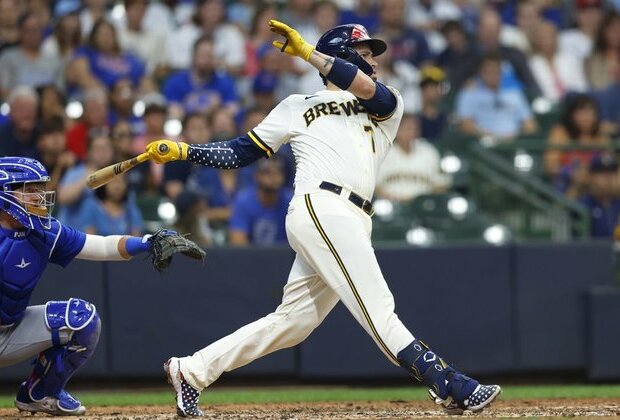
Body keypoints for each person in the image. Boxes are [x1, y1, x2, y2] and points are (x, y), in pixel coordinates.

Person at [146, 20, 501, 417]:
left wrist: (307, 54)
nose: (375, 63)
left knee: (293, 322)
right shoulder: (296, 105)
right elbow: (241, 151)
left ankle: (191, 371)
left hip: (354, 216)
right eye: (365, 54)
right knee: (378, 308)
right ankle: (449, 384)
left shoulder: (388, 102)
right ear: (344, 55)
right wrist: (183, 151)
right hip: (321, 206)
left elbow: (364, 87)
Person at [0, 156, 195, 416]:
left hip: (9, 330)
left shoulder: (44, 231)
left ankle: (39, 393)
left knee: (82, 319)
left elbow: (102, 246)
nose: (38, 196)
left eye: (39, 188)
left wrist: (148, 242)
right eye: (29, 189)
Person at [455, 52, 537, 142]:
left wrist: (517, 136)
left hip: (514, 142)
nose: (493, 75)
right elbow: (467, 126)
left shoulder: (514, 94)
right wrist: (495, 137)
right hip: (483, 144)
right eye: (488, 71)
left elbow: (530, 125)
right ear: (480, 73)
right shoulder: (468, 95)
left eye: (496, 71)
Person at [376, 114, 449, 203]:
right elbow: (375, 186)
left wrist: (429, 200)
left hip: (423, 207)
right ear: (396, 130)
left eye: (415, 129)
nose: (411, 133)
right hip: (392, 206)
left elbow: (442, 185)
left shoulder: (429, 152)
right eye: (407, 128)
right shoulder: (385, 152)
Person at [229, 158, 293, 246]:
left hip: (285, 257)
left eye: (277, 173)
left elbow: (300, 242)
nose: (273, 177)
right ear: (256, 176)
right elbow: (238, 243)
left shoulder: (291, 201)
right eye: (267, 173)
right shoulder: (243, 201)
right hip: (251, 257)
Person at [579, 154, 620, 237]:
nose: (608, 179)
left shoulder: (618, 204)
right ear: (591, 177)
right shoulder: (583, 204)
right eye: (602, 174)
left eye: (611, 174)